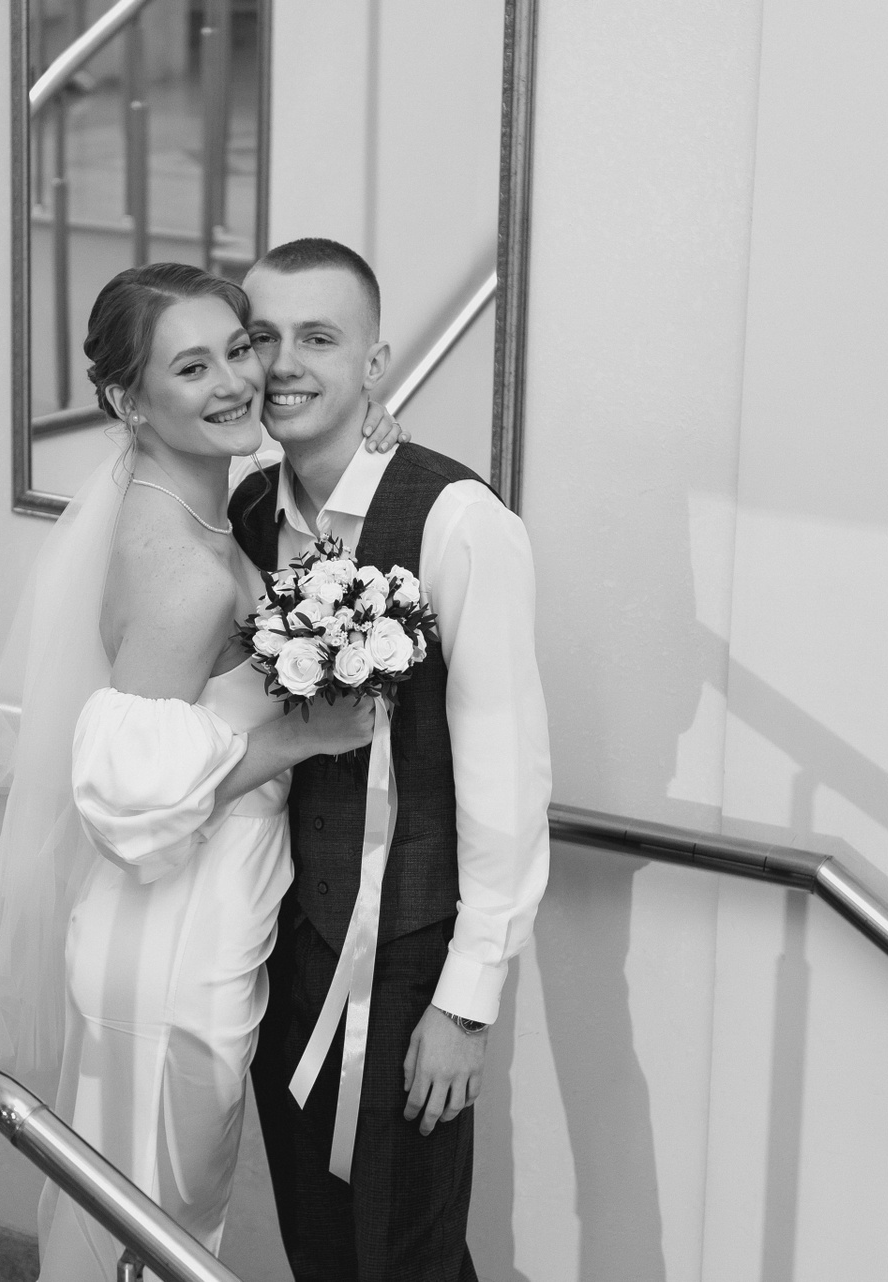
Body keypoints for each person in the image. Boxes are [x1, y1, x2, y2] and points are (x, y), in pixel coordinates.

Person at [0, 262, 410, 1277]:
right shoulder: (184, 570)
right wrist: (297, 740)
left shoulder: (200, 509)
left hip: (195, 915)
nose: (236, 380)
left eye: (238, 349)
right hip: (170, 939)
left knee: (151, 1219)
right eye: (192, 366)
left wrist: (362, 440)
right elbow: (127, 793)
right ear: (130, 402)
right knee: (155, 1223)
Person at [230, 238, 552, 1282]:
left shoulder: (458, 521)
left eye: (318, 338)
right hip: (283, 937)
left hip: (412, 954)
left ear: (375, 364)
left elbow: (507, 771)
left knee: (409, 1253)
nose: (285, 362)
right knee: (318, 1244)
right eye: (262, 337)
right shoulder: (248, 513)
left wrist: (466, 1000)